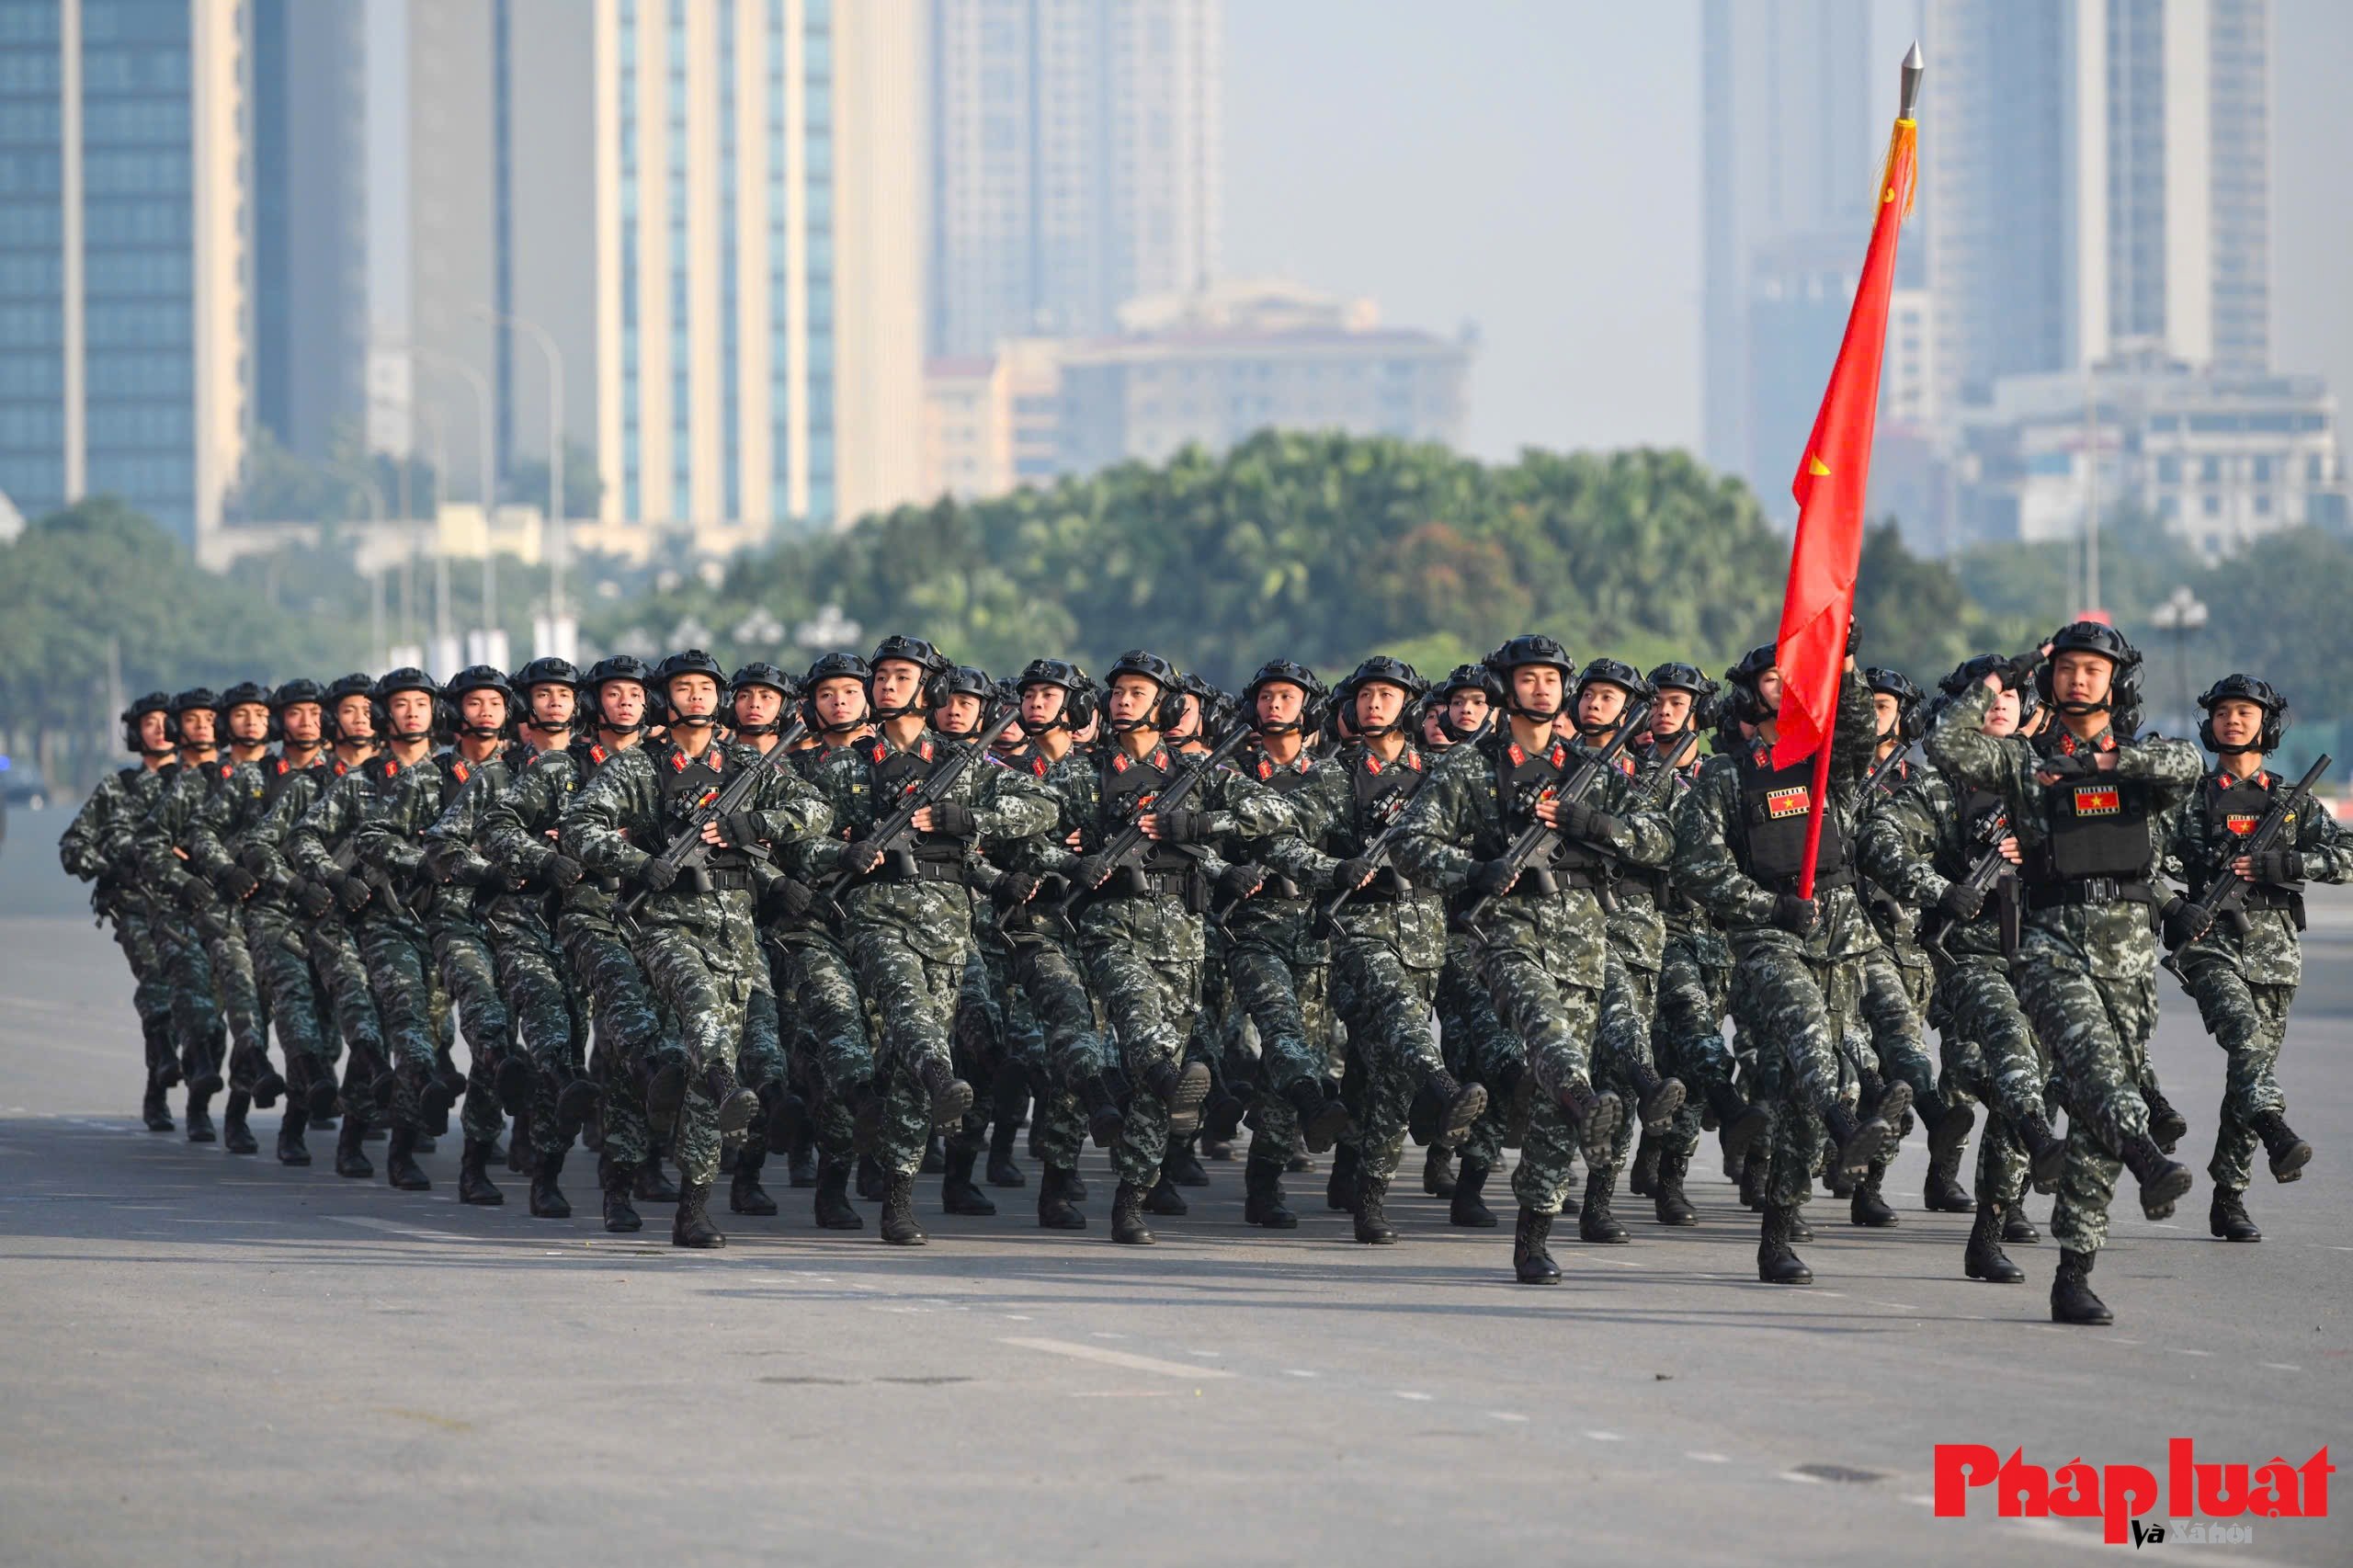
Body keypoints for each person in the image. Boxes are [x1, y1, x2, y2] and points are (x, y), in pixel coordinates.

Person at [1926, 623, 2201, 1325]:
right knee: (2097, 1071)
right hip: (2051, 947)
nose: (2079, 679)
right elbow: (1948, 743)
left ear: (2116, 682)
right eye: (2067, 668)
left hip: (2128, 957)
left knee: (2092, 1114)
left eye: (2093, 669)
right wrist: (2005, 676)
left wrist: (2109, 764)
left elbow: (2188, 764)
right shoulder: (2024, 764)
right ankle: (2144, 1154)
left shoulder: (2140, 762)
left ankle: (2074, 1272)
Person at [1392, 635, 1667, 1285]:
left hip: (1584, 939)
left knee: (1552, 1104)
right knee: (1548, 1037)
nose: (1542, 690)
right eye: (1528, 679)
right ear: (1505, 687)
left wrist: (1592, 823)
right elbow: (1409, 842)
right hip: (1506, 932)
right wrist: (1474, 869)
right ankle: (1583, 1097)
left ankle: (1534, 1236)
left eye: (1551, 679)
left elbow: (1659, 840)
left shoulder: (1591, 770)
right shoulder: (1472, 766)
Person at [1015, 650, 1291, 1244]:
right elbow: (1026, 839)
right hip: (1107, 926)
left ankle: (1132, 1199)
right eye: (1118, 692)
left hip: (1182, 936)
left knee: (1155, 1078)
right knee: (1142, 1031)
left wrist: (1202, 825)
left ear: (1164, 705)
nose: (1123, 701)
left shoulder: (1195, 772)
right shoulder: (1082, 773)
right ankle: (1059, 1179)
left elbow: (1275, 810)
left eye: (1138, 693)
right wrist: (1072, 860)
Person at [565, 649, 834, 1248]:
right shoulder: (640, 766)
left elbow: (816, 810)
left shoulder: (746, 766)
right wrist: (638, 861)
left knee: (704, 1074)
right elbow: (582, 825)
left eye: (704, 688)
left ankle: (694, 1206)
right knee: (696, 1037)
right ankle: (620, 1183)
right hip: (663, 928)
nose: (694, 697)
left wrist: (754, 826)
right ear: (666, 697)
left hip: (734, 934)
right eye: (683, 687)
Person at [1670, 643, 1909, 1285]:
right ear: (1751, 692)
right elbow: (1698, 866)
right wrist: (1769, 907)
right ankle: (1846, 1123)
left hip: (1839, 934)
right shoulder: (1725, 775)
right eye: (1774, 679)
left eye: (1797, 677)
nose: (1787, 687)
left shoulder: (1829, 761)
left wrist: (1846, 665)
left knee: (1800, 1098)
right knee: (1808, 1033)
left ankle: (1777, 1236)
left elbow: (1858, 730)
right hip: (1767, 935)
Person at [1260, 657, 1489, 1240]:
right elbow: (1280, 840)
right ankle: (1442, 1088)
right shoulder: (1335, 776)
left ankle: (1366, 1190)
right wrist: (1333, 869)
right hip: (1358, 933)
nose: (1373, 705)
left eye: (1386, 695)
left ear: (1408, 706)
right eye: (1365, 695)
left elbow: (1481, 841)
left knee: (1384, 1070)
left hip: (1425, 936)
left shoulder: (1440, 775)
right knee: (1401, 1021)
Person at [2165, 674, 2349, 1244]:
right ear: (2209, 724)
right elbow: (2140, 861)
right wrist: (2174, 908)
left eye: (2245, 712)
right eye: (2223, 712)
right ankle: (2275, 1129)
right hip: (2209, 945)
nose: (2233, 721)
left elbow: (2347, 853)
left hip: (2274, 955)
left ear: (2266, 726)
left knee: (2250, 1072)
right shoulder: (2188, 800)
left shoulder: (2291, 804)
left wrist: (2288, 865)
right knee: (2245, 1042)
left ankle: (2229, 1197)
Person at [289, 668, 456, 1191]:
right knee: (393, 1028)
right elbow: (303, 838)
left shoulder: (454, 780)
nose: (412, 713)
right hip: (371, 921)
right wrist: (336, 878)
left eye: (421, 704)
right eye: (401, 704)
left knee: (424, 1033)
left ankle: (372, 1130)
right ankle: (386, 1147)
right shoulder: (360, 783)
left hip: (437, 922)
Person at [58, 691, 182, 1130]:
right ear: (135, 732)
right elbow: (73, 845)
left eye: (167, 722)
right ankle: (160, 1083)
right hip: (134, 907)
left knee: (195, 1001)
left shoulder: (199, 785)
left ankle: (175, 1086)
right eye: (150, 723)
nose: (160, 730)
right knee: (157, 980)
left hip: (190, 908)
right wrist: (110, 867)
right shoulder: (117, 788)